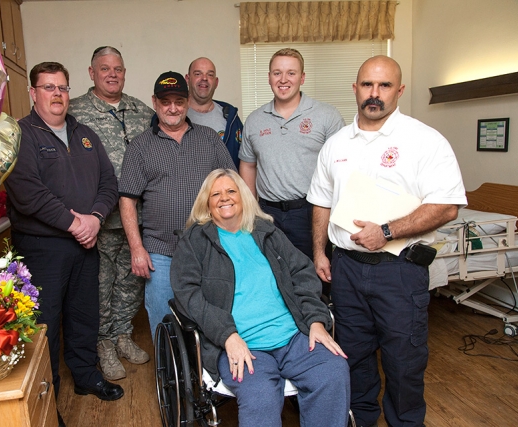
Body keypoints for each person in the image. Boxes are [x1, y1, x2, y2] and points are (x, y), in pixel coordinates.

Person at [307, 56, 467, 427]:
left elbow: (447, 206)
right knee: (353, 355)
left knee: (404, 360)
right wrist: (320, 251)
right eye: (367, 85)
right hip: (346, 270)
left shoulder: (424, 140)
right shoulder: (335, 144)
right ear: (355, 88)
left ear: (399, 90)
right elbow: (321, 200)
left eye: (384, 86)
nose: (374, 94)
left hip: (399, 270)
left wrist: (388, 231)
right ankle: (361, 419)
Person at [170, 169, 350, 427]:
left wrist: (315, 321)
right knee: (260, 394)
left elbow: (302, 272)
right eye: (216, 194)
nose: (225, 198)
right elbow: (188, 296)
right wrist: (227, 336)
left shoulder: (266, 232)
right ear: (207, 204)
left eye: (231, 191)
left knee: (332, 372)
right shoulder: (194, 242)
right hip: (241, 344)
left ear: (243, 196)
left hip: (292, 336)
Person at [4, 62, 124, 421]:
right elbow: (29, 195)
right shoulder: (20, 136)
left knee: (83, 315)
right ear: (34, 93)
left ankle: (86, 377)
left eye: (62, 88)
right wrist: (76, 223)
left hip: (86, 242)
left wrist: (96, 219)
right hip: (43, 248)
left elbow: (109, 183)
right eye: (49, 87)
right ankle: (46, 397)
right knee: (45, 325)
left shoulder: (85, 134)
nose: (57, 94)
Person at [119, 71, 236, 340]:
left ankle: (210, 378)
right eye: (165, 102)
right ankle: (171, 380)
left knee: (214, 320)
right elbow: (127, 201)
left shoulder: (209, 139)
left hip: (208, 250)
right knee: (164, 326)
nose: (173, 108)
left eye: (179, 101)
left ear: (188, 102)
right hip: (160, 253)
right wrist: (137, 249)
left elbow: (232, 187)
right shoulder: (140, 146)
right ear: (155, 103)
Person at [69, 46, 153, 381]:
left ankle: (122, 334)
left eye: (118, 68)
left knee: (132, 284)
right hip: (98, 220)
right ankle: (103, 343)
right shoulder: (75, 113)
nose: (112, 74)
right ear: (91, 72)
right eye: (104, 68)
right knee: (100, 287)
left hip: (138, 219)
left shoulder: (142, 111)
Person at [239, 48, 344, 261]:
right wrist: (252, 212)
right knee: (272, 279)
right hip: (268, 214)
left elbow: (341, 167)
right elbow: (248, 165)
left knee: (314, 278)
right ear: (269, 78)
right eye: (277, 73)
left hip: (311, 213)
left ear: (302, 78)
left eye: (291, 73)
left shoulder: (327, 116)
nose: (283, 79)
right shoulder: (254, 120)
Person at [185, 57, 243, 168]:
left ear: (216, 82)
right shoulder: (173, 116)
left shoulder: (231, 117)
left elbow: (246, 161)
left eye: (210, 75)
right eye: (198, 74)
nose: (204, 78)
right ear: (187, 79)